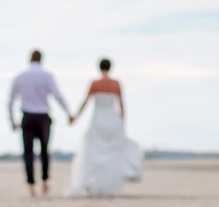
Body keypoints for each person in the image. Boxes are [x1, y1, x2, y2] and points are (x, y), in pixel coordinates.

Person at [67, 58, 142, 197]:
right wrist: (122, 123)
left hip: (98, 120)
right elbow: (121, 105)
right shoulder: (116, 84)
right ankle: (109, 187)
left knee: (93, 152)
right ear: (110, 67)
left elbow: (85, 102)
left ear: (99, 68)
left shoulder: (95, 83)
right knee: (112, 155)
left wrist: (75, 117)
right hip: (112, 120)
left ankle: (93, 184)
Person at [8, 50, 73, 196]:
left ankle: (31, 185)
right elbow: (58, 96)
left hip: (28, 116)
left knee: (28, 153)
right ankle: (45, 181)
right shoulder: (47, 76)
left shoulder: (21, 77)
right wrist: (68, 113)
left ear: (29, 59)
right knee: (44, 151)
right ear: (41, 60)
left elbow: (11, 100)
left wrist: (12, 120)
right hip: (43, 116)